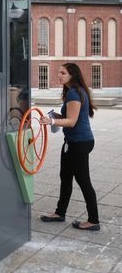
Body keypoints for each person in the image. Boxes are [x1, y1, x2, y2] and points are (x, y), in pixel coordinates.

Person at [40, 63, 100, 231]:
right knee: (65, 177)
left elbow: (71, 122)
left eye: (63, 73)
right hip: (73, 142)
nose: (59, 75)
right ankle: (60, 213)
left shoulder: (74, 93)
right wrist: (55, 116)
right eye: (59, 72)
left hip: (79, 143)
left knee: (83, 181)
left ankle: (93, 220)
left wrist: (51, 121)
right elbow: (69, 117)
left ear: (72, 75)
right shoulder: (73, 92)